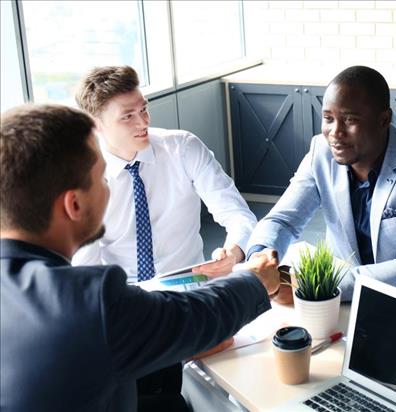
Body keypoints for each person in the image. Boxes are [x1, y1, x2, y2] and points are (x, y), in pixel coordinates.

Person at [0, 104, 279, 412]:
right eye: (101, 178)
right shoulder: (89, 301)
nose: (109, 185)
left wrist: (174, 341)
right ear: (74, 205)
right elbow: (188, 317)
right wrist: (253, 280)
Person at [242, 65, 396, 302]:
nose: (335, 132)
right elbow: (283, 220)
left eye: (350, 120)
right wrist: (260, 260)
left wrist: (315, 287)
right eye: (328, 119)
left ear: (384, 120)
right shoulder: (320, 153)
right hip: (345, 302)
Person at [72, 65, 256, 281]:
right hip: (124, 294)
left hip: (191, 286)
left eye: (143, 109)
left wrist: (233, 253)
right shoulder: (83, 177)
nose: (143, 122)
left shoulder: (184, 149)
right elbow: (86, 267)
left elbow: (238, 215)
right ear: (95, 125)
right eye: (127, 116)